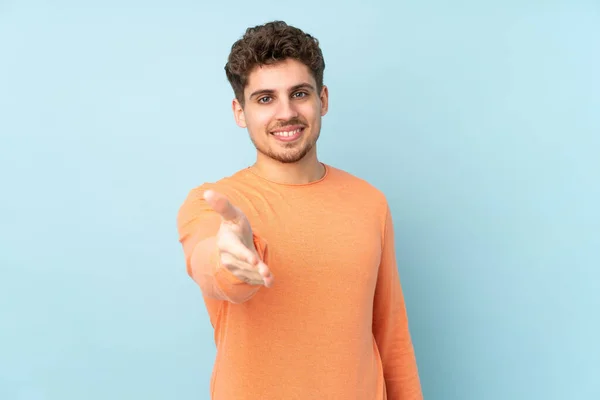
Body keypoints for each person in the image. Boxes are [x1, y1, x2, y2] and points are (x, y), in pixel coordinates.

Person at [176, 20, 423, 400]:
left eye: (300, 93)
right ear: (240, 112)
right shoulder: (213, 203)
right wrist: (230, 261)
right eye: (264, 98)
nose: (286, 112)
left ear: (322, 99)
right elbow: (210, 264)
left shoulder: (370, 202)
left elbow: (391, 336)